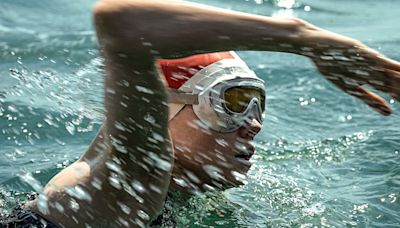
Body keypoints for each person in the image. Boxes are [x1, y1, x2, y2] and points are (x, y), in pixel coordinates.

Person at [1, 0, 399, 227]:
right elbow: (122, 23)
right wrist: (303, 38)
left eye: (258, 104)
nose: (253, 125)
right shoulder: (127, 185)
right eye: (234, 101)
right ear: (162, 109)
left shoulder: (166, 195)